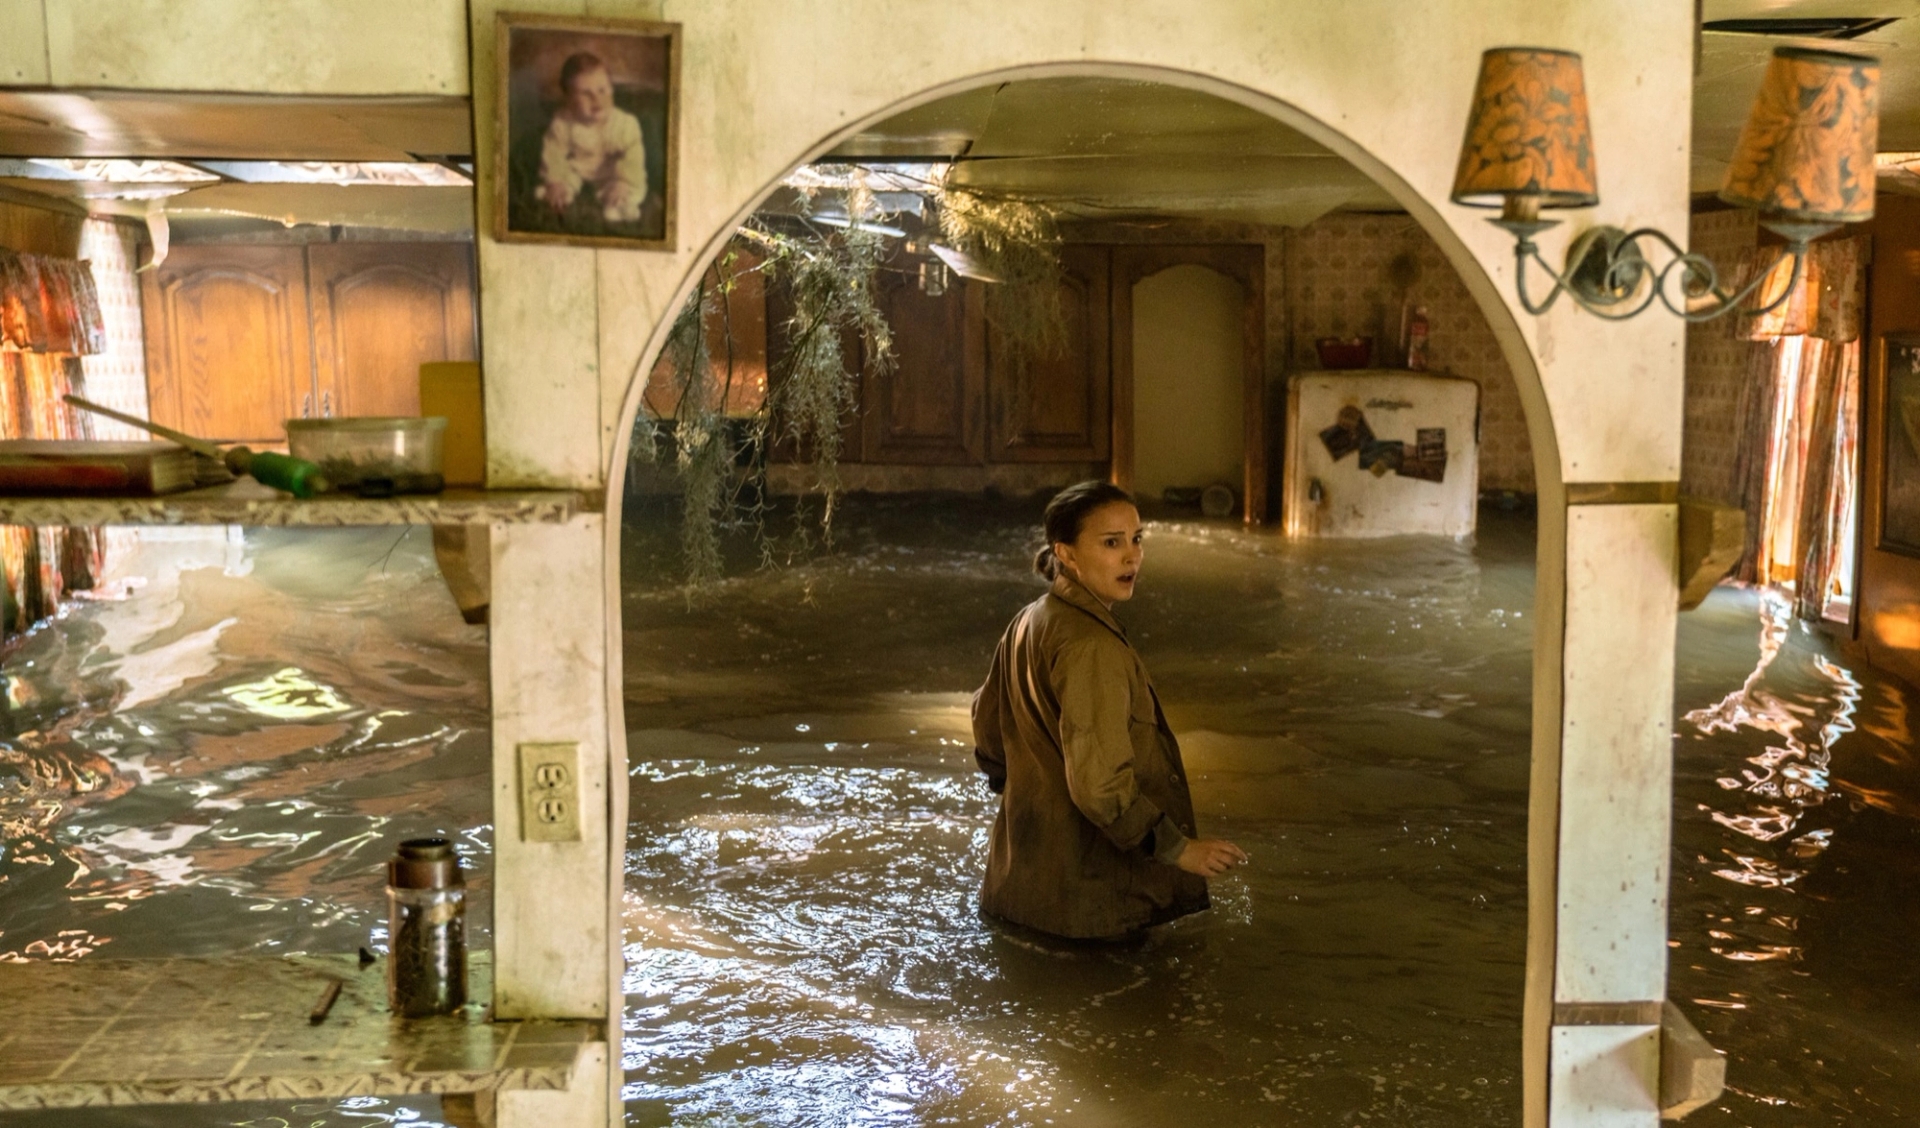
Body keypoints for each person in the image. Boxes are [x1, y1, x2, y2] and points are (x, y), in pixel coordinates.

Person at [971, 481, 1247, 940]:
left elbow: (986, 731)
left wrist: (1025, 791)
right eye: (1111, 543)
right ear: (1068, 553)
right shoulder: (1090, 646)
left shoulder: (1030, 619)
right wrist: (1180, 851)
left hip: (1018, 891)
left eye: (1136, 539)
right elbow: (1100, 789)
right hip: (1088, 910)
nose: (1131, 557)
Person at [537, 51, 648, 223]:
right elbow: (553, 152)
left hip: (613, 172)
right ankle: (561, 192)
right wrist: (556, 179)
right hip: (578, 169)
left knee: (633, 186)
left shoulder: (625, 124)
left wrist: (624, 182)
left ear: (611, 89)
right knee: (563, 178)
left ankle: (619, 204)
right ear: (569, 99)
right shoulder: (563, 122)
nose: (596, 99)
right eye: (585, 93)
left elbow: (633, 156)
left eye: (602, 90)